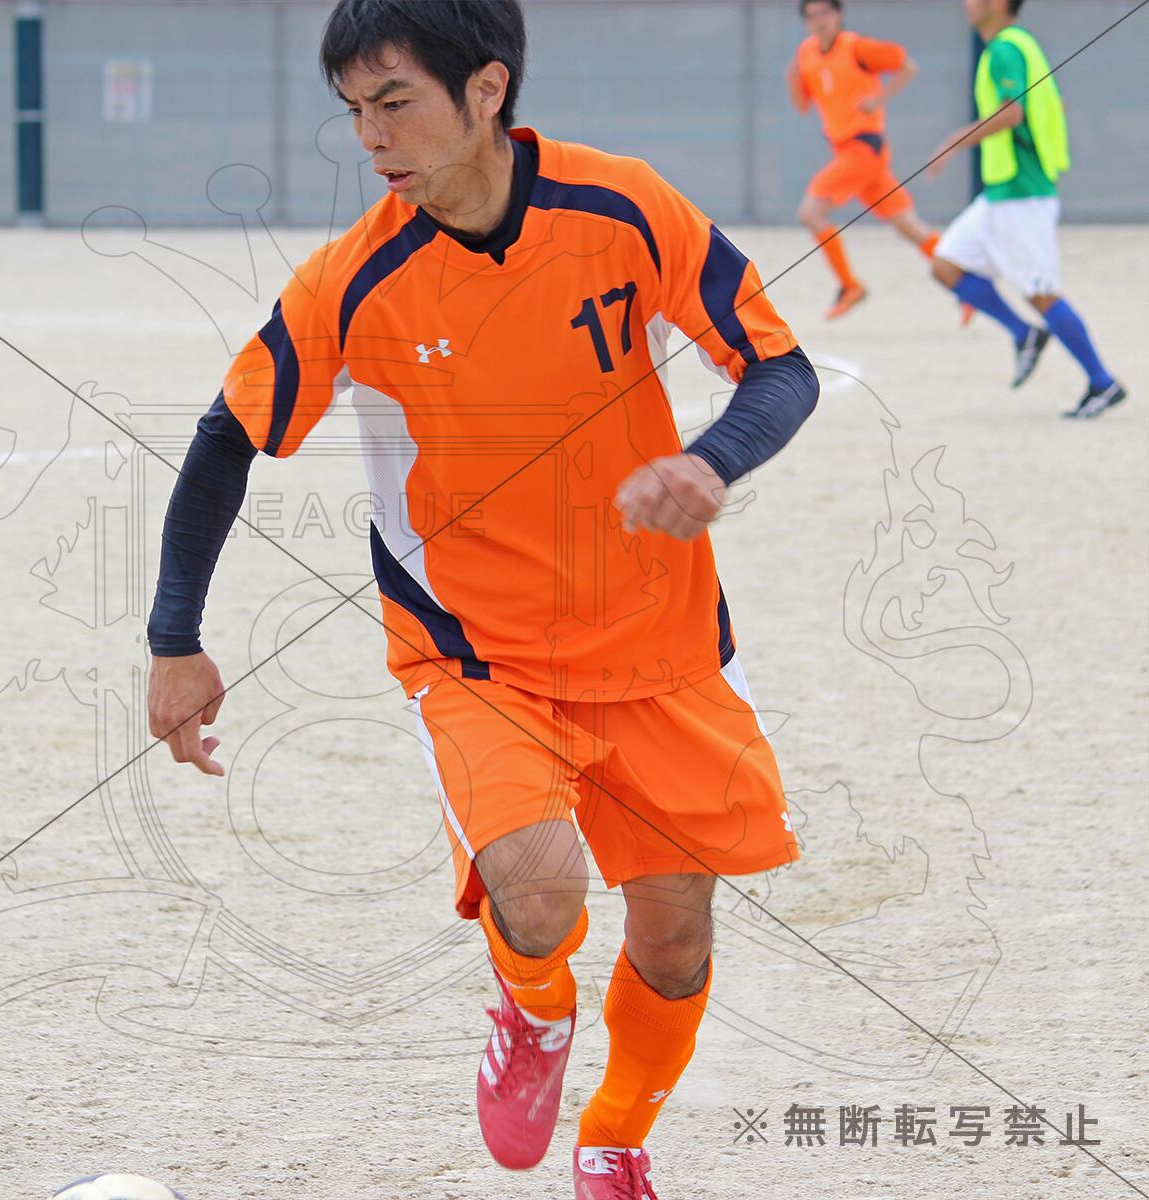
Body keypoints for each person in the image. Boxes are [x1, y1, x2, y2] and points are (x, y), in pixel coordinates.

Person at [144, 2, 818, 1195]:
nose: (370, 136)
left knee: (674, 938)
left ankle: (613, 1140)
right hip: (476, 656)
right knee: (542, 893)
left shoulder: (621, 207)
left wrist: (711, 461)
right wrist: (174, 638)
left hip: (661, 644)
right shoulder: (354, 279)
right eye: (353, 110)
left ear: (487, 90)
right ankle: (533, 1005)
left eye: (393, 101)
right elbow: (223, 439)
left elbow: (779, 365)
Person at [927, 0, 1126, 418]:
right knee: (945, 265)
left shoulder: (1004, 48)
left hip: (1021, 192)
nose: (966, 3)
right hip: (1001, 191)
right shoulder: (1021, 44)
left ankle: (1102, 383)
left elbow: (1012, 112)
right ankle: (1024, 335)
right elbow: (1053, 105)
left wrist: (953, 142)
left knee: (1041, 293)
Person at [786, 0, 941, 319]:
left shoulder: (856, 48)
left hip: (863, 149)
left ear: (838, 15)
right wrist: (792, 76)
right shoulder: (806, 53)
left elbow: (907, 66)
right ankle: (966, 280)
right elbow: (802, 106)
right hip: (849, 152)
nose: (820, 21)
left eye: (825, 13)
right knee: (909, 226)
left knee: (811, 212)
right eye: (812, 16)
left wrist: (879, 99)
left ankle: (850, 285)